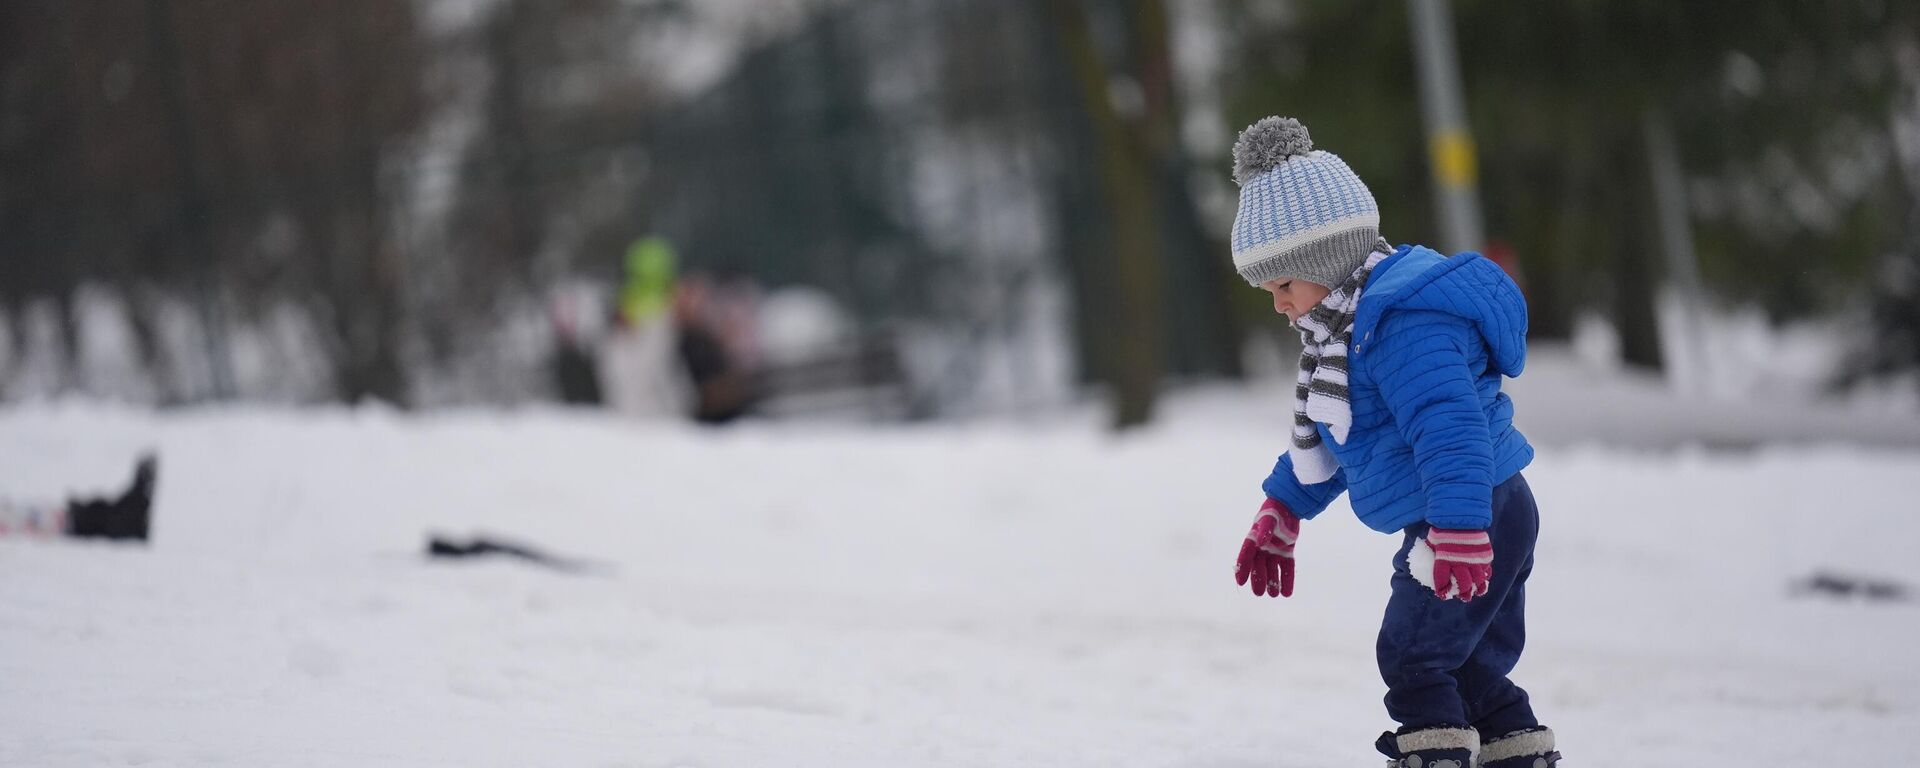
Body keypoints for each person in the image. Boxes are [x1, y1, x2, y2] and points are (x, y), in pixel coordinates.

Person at [1223, 117, 1559, 768]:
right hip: (1478, 510)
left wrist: (1459, 529)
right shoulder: (1346, 335)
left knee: (1411, 654)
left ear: (1324, 259)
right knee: (1467, 672)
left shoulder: (1401, 323)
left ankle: (1432, 757)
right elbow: (1349, 436)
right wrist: (1284, 508)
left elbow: (1450, 428)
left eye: (1284, 286)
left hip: (1470, 511)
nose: (1280, 306)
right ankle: (1516, 755)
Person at [0, 454, 158, 543]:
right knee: (90, 520)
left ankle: (133, 507)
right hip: (49, 524)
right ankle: (133, 518)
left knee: (93, 511)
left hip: (42, 516)